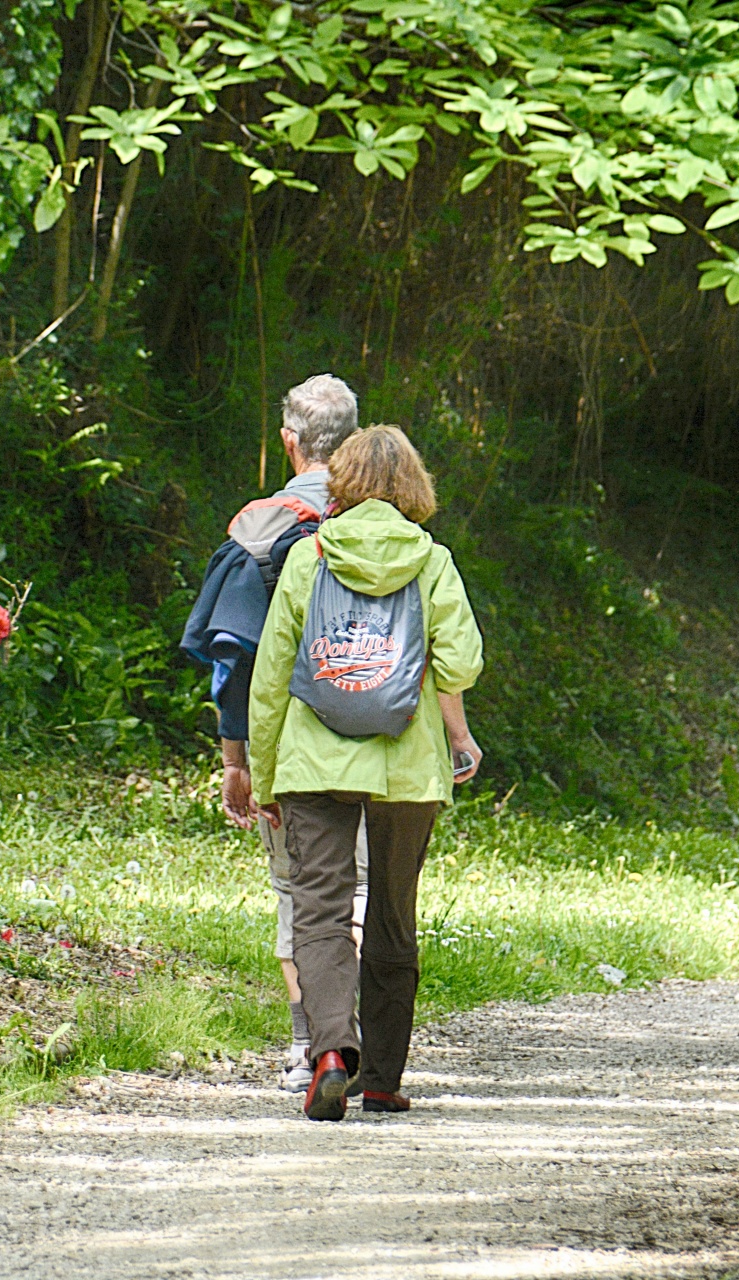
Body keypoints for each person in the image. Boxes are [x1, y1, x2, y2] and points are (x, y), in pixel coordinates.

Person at [248, 424, 485, 1120]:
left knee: (320, 909)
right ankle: (381, 1079)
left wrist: (265, 776)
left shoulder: (309, 556)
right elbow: (463, 662)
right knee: (391, 914)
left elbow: (270, 680)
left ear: (340, 481)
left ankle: (329, 1053)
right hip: (408, 766)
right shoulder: (431, 561)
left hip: (314, 760)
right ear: (414, 485)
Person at [180, 374, 368, 1092]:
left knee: (300, 892)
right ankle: (366, 1046)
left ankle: (311, 1047)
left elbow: (237, 659)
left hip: (291, 744)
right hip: (382, 740)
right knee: (361, 893)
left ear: (288, 443)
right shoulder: (394, 522)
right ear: (354, 442)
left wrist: (236, 758)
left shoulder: (260, 528)